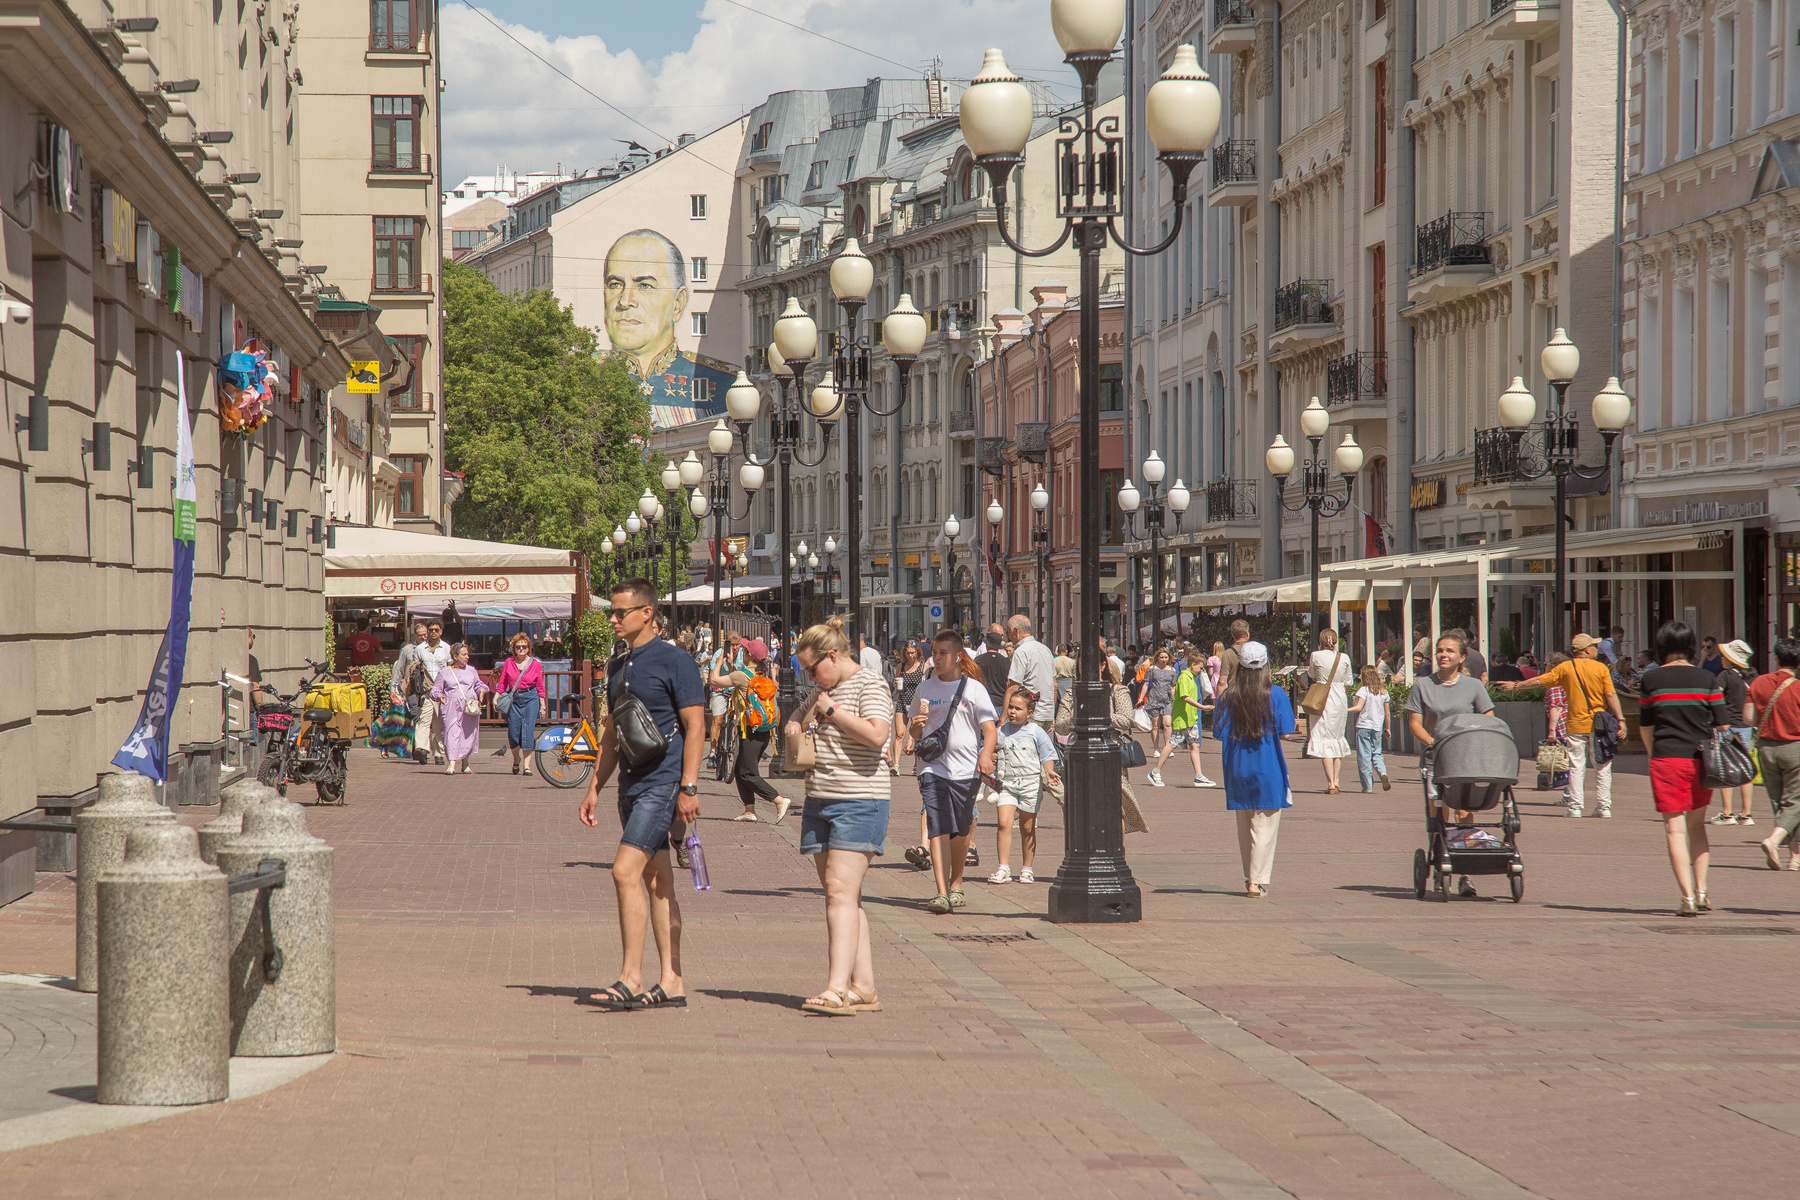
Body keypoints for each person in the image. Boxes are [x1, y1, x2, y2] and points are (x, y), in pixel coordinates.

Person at [578, 577, 706, 1012]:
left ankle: (630, 977)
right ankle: (672, 980)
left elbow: (696, 727)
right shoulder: (618, 665)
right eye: (611, 612)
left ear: (646, 613)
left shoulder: (676, 661)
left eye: (620, 612)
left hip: (663, 783)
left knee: (623, 871)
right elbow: (613, 732)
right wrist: (596, 785)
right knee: (658, 880)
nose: (612, 619)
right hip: (630, 785)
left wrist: (688, 786)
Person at [787, 621, 893, 1015]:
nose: (809, 677)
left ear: (832, 656)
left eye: (812, 669)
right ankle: (863, 987)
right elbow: (800, 712)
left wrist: (832, 711)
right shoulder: (822, 688)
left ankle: (836, 989)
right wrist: (798, 718)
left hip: (859, 799)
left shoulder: (870, 685)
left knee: (838, 892)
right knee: (845, 896)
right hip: (820, 798)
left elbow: (878, 735)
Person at [1637, 620, 1729, 917]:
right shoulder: (1707, 678)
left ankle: (1686, 898)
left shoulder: (1651, 681)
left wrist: (1655, 756)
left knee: (1674, 830)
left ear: (1661, 647)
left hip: (1666, 759)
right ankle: (1703, 892)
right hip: (1701, 761)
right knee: (1697, 826)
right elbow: (1723, 724)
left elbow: (1646, 726)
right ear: (1691, 646)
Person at [909, 630, 998, 915]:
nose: (936, 658)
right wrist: (915, 728)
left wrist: (985, 755)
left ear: (958, 656)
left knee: (959, 831)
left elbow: (989, 730)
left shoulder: (973, 689)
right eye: (934, 652)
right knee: (937, 826)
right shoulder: (925, 689)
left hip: (965, 770)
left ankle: (956, 882)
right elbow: (914, 731)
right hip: (932, 767)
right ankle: (941, 892)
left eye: (943, 653)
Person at [1406, 630, 1495, 897]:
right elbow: (1414, 724)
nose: (1443, 655)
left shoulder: (1473, 686)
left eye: (1450, 651)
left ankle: (1465, 873)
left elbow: (1488, 716)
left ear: (1462, 657)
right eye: (1440, 651)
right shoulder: (1423, 685)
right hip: (1436, 758)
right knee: (1437, 813)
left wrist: (1479, 740)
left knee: (1465, 811)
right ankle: (1439, 866)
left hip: (1467, 759)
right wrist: (1434, 742)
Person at [1500, 633, 1622, 818]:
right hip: (1599, 724)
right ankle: (1604, 807)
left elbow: (1541, 681)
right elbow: (1611, 696)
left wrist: (1516, 686)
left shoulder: (1566, 667)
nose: (1597, 650)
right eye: (1594, 647)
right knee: (1603, 764)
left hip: (1574, 723)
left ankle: (1575, 807)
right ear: (1587, 650)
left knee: (1576, 765)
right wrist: (1621, 719)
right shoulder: (1601, 669)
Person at [1213, 640, 1296, 898]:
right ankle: (1256, 881)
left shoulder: (1227, 696)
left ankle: (1250, 876)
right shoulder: (1276, 694)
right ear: (1266, 666)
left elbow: (1218, 731)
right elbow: (1287, 733)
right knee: (1264, 827)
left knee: (1245, 827)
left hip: (1237, 767)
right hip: (1267, 766)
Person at [1056, 659, 1150, 839]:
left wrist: (1101, 714)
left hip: (1110, 752)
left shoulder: (1118, 691)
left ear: (1102, 665)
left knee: (1116, 806)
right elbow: (1060, 725)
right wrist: (1077, 718)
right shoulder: (1072, 693)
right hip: (1079, 755)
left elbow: (1125, 720)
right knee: (1082, 807)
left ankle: (1117, 852)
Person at [986, 689, 1060, 885]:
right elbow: (989, 749)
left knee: (1027, 828)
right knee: (1003, 823)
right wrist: (991, 756)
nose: (1012, 711)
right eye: (1010, 707)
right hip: (1007, 783)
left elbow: (1047, 755)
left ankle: (1027, 868)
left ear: (1029, 713)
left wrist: (1049, 771)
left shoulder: (1037, 732)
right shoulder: (1000, 731)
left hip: (1030, 783)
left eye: (1018, 708)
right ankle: (1003, 867)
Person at [718, 638, 792, 824]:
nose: (742, 651)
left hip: (750, 731)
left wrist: (720, 662)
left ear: (749, 655)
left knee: (748, 773)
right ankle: (749, 810)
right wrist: (731, 663)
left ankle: (778, 800)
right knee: (740, 770)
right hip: (763, 731)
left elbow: (714, 679)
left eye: (744, 649)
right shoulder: (762, 675)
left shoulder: (742, 676)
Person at [1748, 637, 1800, 871]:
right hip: (1794, 748)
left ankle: (1794, 857)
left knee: (1781, 803)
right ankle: (1775, 841)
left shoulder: (1758, 683)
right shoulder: (1798, 687)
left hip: (1766, 749)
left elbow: (1748, 718)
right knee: (1795, 802)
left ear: (1776, 658)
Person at [1155, 647, 1217, 788]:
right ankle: (1156, 771)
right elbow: (1185, 697)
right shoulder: (1184, 678)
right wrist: (1202, 707)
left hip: (1190, 718)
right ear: (1193, 664)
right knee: (1172, 744)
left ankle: (1198, 776)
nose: (1201, 671)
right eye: (1200, 668)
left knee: (1194, 744)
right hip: (1182, 718)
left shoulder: (1190, 678)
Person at [1712, 639, 1758, 825]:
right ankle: (1746, 814)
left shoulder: (1725, 676)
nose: (1722, 658)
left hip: (1728, 726)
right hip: (1747, 727)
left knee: (1727, 768)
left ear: (1731, 659)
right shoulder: (1752, 677)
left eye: (1724, 656)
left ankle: (1727, 813)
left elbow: (1714, 696)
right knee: (1746, 769)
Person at [428, 643, 489, 775]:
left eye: (467, 654)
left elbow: (478, 684)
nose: (467, 657)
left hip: (469, 706)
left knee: (467, 734)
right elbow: (436, 689)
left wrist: (482, 690)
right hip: (451, 706)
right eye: (464, 654)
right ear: (455, 656)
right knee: (451, 733)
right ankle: (452, 764)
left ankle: (465, 763)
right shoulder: (444, 672)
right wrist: (440, 696)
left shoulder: (471, 670)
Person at [1305, 628, 1353, 793]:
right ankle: (1337, 780)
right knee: (1337, 737)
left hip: (1323, 697)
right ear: (1336, 640)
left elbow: (1311, 673)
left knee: (1323, 738)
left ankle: (1330, 783)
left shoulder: (1316, 655)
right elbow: (1348, 681)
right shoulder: (1344, 657)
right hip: (1339, 698)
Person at [497, 633, 546, 776]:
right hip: (514, 698)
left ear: (529, 648)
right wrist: (497, 696)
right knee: (513, 733)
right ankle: (516, 759)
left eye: (524, 646)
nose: (521, 649)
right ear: (514, 648)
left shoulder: (535, 664)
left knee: (528, 732)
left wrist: (542, 704)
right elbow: (503, 682)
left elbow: (540, 686)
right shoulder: (509, 662)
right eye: (518, 647)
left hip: (531, 698)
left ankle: (527, 766)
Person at [1003, 615, 1057, 735]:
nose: (1008, 636)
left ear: (1016, 631)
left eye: (1008, 632)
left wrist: (1002, 720)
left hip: (1030, 715)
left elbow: (1013, 687)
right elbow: (1054, 685)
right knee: (1044, 751)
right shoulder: (1046, 650)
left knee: (1026, 751)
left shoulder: (1021, 652)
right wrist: (1051, 713)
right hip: (1047, 714)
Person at [411, 620, 454, 765]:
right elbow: (414, 667)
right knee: (424, 719)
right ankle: (422, 749)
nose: (433, 632)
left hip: (442, 691)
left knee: (439, 723)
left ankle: (439, 753)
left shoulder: (446, 648)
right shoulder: (420, 649)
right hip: (427, 690)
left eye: (436, 630)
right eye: (431, 630)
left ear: (441, 631)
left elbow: (450, 668)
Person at [1346, 664, 1391, 792]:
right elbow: (1387, 713)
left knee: (1364, 756)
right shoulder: (1384, 692)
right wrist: (1387, 728)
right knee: (1377, 753)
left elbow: (1358, 707)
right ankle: (1382, 772)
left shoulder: (1364, 690)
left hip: (1363, 726)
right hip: (1377, 727)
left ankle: (1367, 786)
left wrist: (1344, 710)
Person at [705, 630, 745, 766]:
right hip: (719, 690)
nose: (734, 648)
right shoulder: (718, 653)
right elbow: (711, 676)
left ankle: (736, 746)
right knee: (718, 719)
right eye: (731, 645)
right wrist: (720, 663)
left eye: (737, 645)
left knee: (740, 719)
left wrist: (730, 663)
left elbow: (738, 675)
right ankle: (713, 751)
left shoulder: (743, 655)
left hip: (735, 690)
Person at [1140, 646, 1178, 782]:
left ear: (1169, 658)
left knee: (1167, 723)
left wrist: (1175, 701)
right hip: (1154, 699)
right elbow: (1145, 685)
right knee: (1155, 725)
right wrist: (1140, 698)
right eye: (1161, 657)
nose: (1163, 660)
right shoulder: (1151, 670)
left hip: (1167, 700)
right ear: (1157, 658)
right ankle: (1156, 748)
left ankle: (1167, 746)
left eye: (1166, 657)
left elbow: (1173, 688)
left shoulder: (1173, 671)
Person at [889, 642, 928, 775]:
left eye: (912, 653)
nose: (910, 655)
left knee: (917, 735)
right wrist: (896, 683)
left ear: (917, 652)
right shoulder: (901, 666)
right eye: (908, 653)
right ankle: (896, 765)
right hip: (903, 700)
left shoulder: (924, 666)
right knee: (899, 733)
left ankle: (916, 764)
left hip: (917, 703)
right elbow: (897, 682)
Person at [974, 628, 1011, 713]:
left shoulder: (978, 661)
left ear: (987, 645)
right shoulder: (1006, 662)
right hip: (1001, 703)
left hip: (983, 702)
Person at [1220, 619, 1250, 687]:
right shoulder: (1258, 650)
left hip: (1234, 694)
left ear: (1232, 635)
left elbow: (1222, 682)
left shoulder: (1228, 653)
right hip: (1256, 694)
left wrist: (1219, 697)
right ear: (1247, 633)